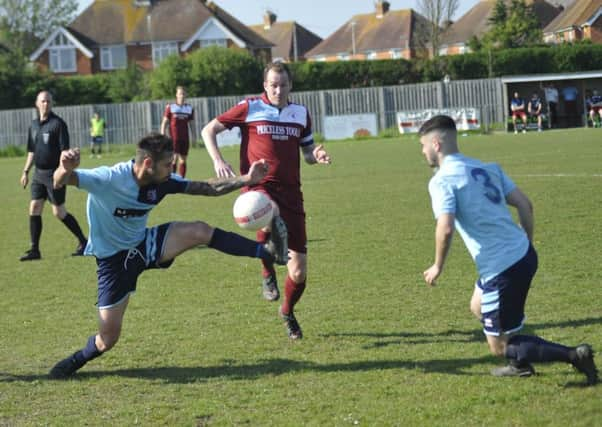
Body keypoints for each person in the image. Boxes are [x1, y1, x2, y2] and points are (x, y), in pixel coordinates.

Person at [48, 133, 288, 379]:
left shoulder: (163, 181)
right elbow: (60, 181)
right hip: (113, 264)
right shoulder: (109, 179)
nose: (171, 169)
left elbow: (207, 188)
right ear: (148, 164)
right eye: (167, 164)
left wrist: (247, 178)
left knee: (199, 230)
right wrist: (63, 167)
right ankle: (76, 360)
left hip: (144, 245)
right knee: (107, 339)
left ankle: (266, 252)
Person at [418, 115, 597, 385]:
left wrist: (437, 266)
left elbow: (445, 228)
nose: (423, 152)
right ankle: (520, 363)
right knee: (477, 306)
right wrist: (525, 242)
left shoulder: (441, 181)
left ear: (436, 143)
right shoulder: (488, 168)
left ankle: (574, 355)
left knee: (499, 346)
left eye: (423, 146)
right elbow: (525, 205)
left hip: (501, 268)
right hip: (522, 253)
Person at [201, 62, 331, 340]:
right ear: (265, 86)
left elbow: (306, 153)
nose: (278, 89)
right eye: (273, 84)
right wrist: (218, 160)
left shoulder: (301, 114)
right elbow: (208, 130)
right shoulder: (249, 107)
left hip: (292, 193)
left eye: (283, 84)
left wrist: (316, 156)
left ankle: (287, 311)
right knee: (266, 210)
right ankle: (266, 269)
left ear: (290, 86)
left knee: (298, 271)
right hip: (257, 185)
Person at [19, 90, 88, 261]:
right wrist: (26, 171)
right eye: (43, 101)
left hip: (53, 174)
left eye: (49, 101)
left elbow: (64, 152)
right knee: (34, 208)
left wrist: (62, 174)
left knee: (59, 212)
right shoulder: (34, 125)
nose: (46, 104)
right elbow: (31, 151)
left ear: (52, 104)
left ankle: (84, 242)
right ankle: (35, 250)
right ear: (37, 103)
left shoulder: (58, 124)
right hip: (38, 175)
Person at [160, 86, 195, 177]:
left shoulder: (189, 108)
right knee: (174, 158)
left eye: (183, 93)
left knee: (183, 159)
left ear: (186, 95)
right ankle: (171, 178)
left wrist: (194, 136)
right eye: (180, 93)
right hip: (174, 138)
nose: (182, 96)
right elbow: (164, 123)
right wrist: (162, 136)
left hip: (185, 138)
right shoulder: (171, 107)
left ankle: (181, 179)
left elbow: (191, 124)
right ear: (176, 95)